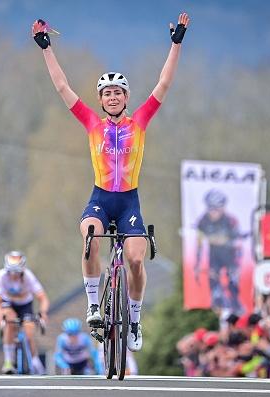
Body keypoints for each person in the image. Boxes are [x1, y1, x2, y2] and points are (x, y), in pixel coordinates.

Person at [32, 12, 190, 352]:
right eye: (108, 93)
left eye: (119, 92)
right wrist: (46, 48)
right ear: (101, 101)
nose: (114, 97)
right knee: (89, 237)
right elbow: (62, 87)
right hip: (101, 197)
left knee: (135, 259)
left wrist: (176, 44)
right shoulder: (92, 123)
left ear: (126, 98)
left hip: (129, 200)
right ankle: (93, 305)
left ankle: (133, 320)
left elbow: (163, 84)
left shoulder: (141, 121)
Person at [0, 251, 49, 374]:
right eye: (11, 272)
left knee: (29, 332)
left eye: (17, 272)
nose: (13, 275)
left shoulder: (29, 276)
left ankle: (35, 361)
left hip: (25, 305)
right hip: (8, 304)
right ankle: (9, 361)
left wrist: (43, 312)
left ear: (22, 270)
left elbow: (43, 298)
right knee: (10, 321)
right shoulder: (1, 276)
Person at [195, 189, 246, 313]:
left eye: (216, 209)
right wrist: (197, 263)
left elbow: (239, 242)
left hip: (230, 255)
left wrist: (224, 242)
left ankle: (235, 304)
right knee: (214, 282)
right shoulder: (203, 221)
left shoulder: (231, 221)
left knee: (232, 283)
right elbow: (200, 243)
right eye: (210, 208)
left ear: (222, 208)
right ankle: (217, 306)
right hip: (214, 256)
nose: (213, 212)